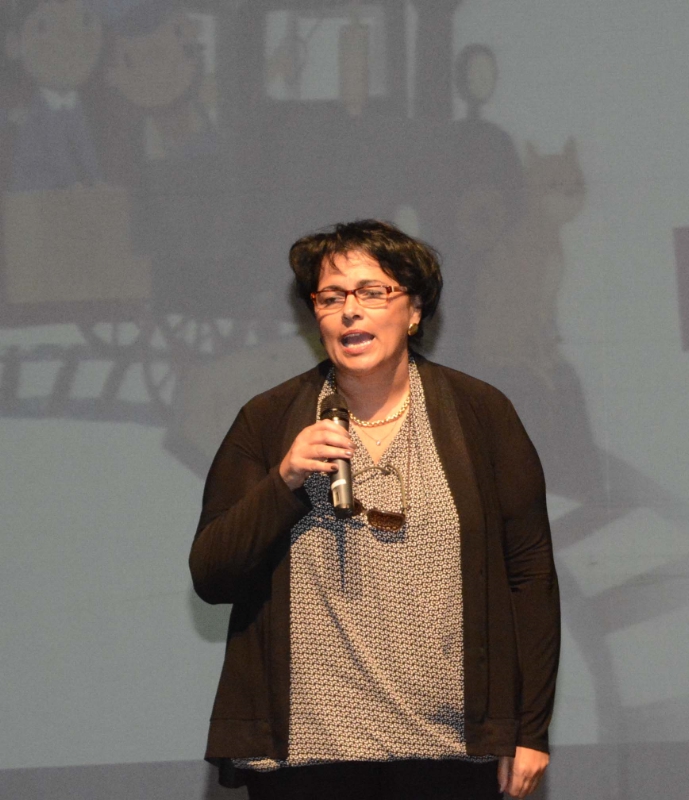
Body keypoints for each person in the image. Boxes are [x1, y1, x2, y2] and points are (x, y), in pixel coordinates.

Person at [189, 220, 560, 799]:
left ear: (414, 310)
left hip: (450, 747)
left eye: (371, 292)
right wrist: (284, 481)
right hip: (307, 752)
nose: (350, 311)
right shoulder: (268, 420)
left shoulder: (481, 413)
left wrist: (530, 729)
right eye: (331, 297)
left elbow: (530, 575)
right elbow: (213, 575)